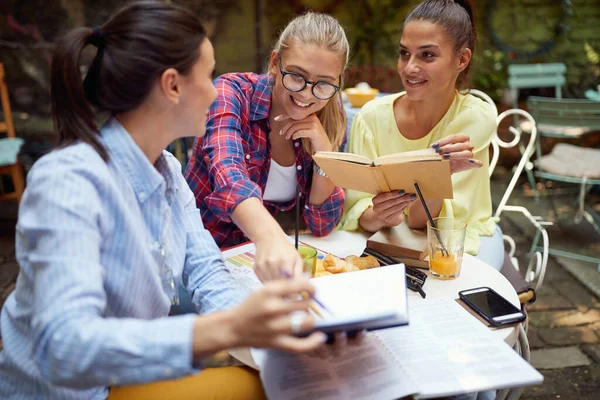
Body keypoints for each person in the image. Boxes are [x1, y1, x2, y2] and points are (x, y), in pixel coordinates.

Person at [0, 2, 347, 399]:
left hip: (126, 380)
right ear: (172, 85)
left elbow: (205, 272)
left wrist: (270, 324)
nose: (219, 89)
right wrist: (231, 328)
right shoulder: (68, 182)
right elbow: (64, 348)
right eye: (210, 75)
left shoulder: (167, 171)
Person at [339, 0, 504, 271]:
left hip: (464, 238)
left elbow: (422, 222)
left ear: (461, 59)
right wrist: (379, 214)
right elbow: (359, 214)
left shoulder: (474, 117)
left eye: (427, 55)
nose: (409, 67)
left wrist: (429, 176)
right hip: (389, 238)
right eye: (405, 53)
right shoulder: (370, 117)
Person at [185, 12, 349, 282]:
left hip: (257, 266)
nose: (307, 94)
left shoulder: (328, 119)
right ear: (275, 63)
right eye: (297, 76)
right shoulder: (233, 93)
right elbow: (229, 175)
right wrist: (270, 236)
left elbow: (323, 224)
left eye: (323, 84)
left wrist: (324, 153)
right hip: (199, 257)